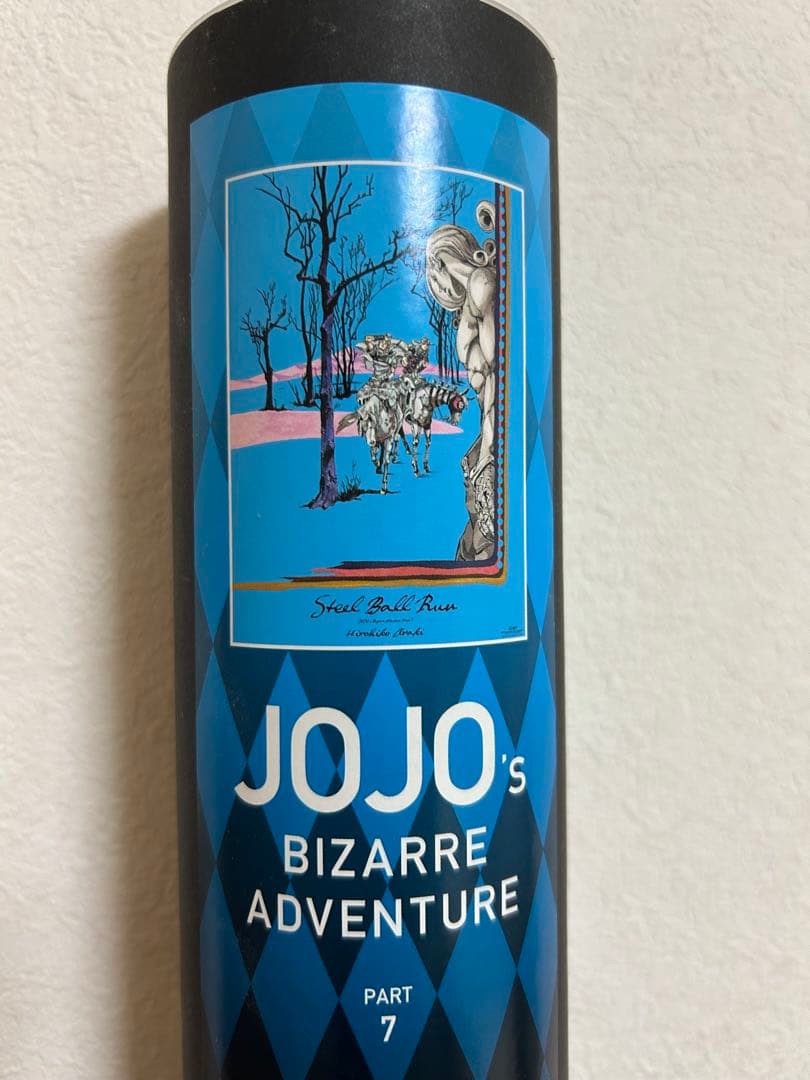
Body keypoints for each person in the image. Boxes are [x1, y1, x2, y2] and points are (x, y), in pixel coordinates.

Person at [426, 213, 498, 561]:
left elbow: (494, 379)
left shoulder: (480, 286)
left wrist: (485, 457)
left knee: (478, 552)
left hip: (491, 443)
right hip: (485, 442)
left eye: (433, 279)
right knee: (468, 554)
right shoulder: (471, 302)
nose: (436, 290)